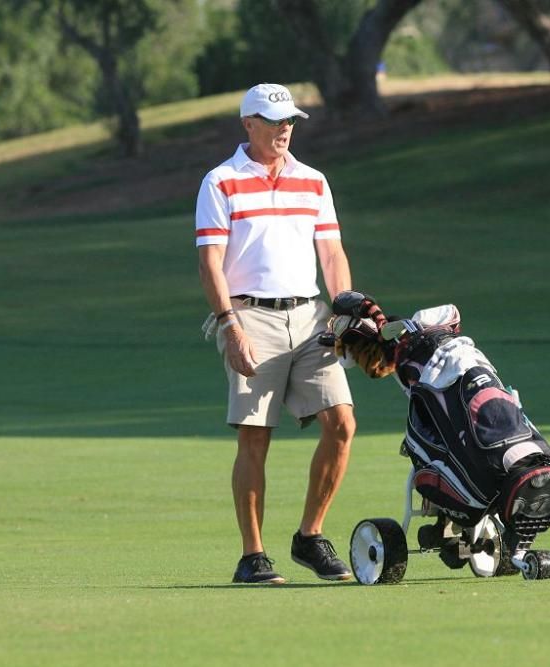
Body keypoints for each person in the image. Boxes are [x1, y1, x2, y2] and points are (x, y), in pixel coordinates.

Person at [195, 83, 356, 585]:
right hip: (249, 317)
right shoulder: (220, 181)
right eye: (274, 120)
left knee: (342, 423)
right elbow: (211, 262)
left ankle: (310, 537)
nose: (285, 128)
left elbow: (330, 253)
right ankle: (253, 556)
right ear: (249, 124)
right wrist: (229, 324)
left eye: (290, 121)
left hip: (312, 318)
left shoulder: (313, 181)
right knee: (255, 435)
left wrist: (345, 311)